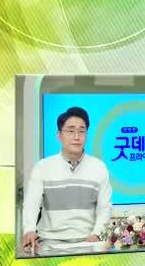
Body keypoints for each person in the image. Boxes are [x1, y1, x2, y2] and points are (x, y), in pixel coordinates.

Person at [21, 107, 112, 255]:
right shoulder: (42, 167)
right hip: (50, 242)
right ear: (59, 135)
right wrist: (29, 229)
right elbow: (32, 203)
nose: (77, 137)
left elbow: (104, 207)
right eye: (70, 131)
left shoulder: (99, 167)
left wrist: (96, 234)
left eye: (81, 131)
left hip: (88, 241)